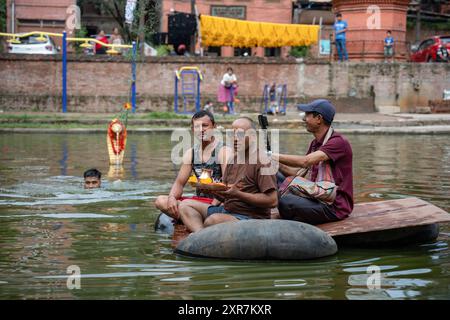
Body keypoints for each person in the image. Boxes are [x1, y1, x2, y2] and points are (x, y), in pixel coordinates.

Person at [178, 117, 278, 232]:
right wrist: (212, 190)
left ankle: (201, 237)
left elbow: (272, 200)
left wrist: (238, 194)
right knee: (185, 205)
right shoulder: (233, 159)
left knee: (212, 221)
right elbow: (226, 193)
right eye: (232, 135)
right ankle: (199, 236)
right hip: (227, 211)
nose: (235, 139)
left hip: (250, 218)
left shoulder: (262, 161)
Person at [272, 99, 353, 225]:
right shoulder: (315, 144)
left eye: (307, 115)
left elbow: (305, 161)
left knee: (285, 202)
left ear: (319, 119)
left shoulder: (338, 142)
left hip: (334, 207)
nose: (304, 119)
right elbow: (297, 173)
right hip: (316, 196)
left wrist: (270, 155)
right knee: (274, 175)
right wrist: (275, 164)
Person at [154, 110, 230, 221]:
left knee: (219, 208)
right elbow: (179, 183)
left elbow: (228, 184)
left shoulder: (224, 151)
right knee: (161, 201)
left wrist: (215, 203)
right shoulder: (191, 153)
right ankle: (192, 216)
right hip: (198, 201)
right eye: (197, 126)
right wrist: (171, 198)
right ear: (192, 129)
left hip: (219, 203)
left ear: (214, 126)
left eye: (205, 126)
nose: (201, 130)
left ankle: (193, 217)